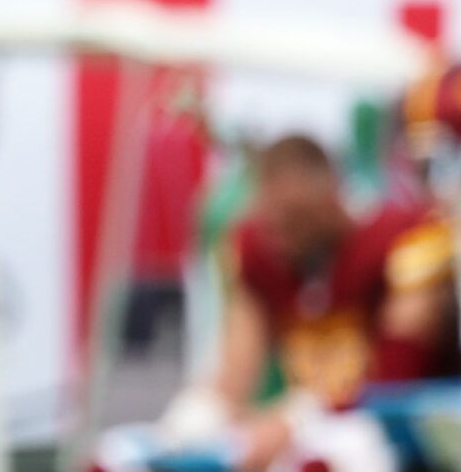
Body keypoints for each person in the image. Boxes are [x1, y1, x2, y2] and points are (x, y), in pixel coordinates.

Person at [99, 135, 458, 472]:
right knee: (123, 453)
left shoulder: (405, 241)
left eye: (294, 221)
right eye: (271, 224)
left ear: (330, 201)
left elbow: (395, 381)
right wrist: (184, 428)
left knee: (335, 452)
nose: (281, 239)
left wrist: (297, 417)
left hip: (399, 429)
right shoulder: (257, 251)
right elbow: (234, 375)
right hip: (306, 422)